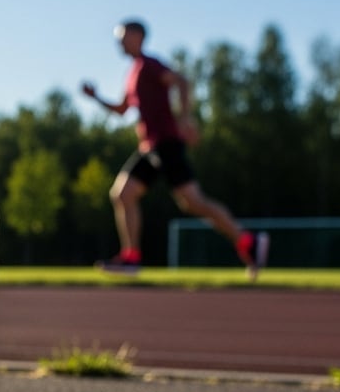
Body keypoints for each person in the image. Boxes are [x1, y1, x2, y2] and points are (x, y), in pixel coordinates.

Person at [81, 19, 269, 279]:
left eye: (122, 36)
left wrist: (185, 118)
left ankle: (247, 240)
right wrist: (96, 98)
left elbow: (181, 81)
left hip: (166, 143)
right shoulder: (133, 72)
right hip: (149, 147)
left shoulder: (149, 65)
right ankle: (131, 258)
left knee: (193, 202)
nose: (119, 42)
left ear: (137, 36)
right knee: (122, 195)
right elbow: (123, 110)